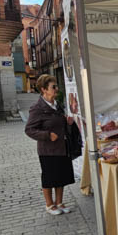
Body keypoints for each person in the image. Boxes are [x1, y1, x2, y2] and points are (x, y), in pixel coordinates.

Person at [24, 75, 75, 215]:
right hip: (48, 150)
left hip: (62, 147)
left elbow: (60, 124)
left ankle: (59, 202)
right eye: (53, 87)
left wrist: (68, 123)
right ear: (43, 89)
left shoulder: (57, 105)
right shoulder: (37, 108)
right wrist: (47, 135)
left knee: (61, 176)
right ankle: (49, 205)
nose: (56, 89)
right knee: (49, 177)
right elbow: (29, 130)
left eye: (56, 86)